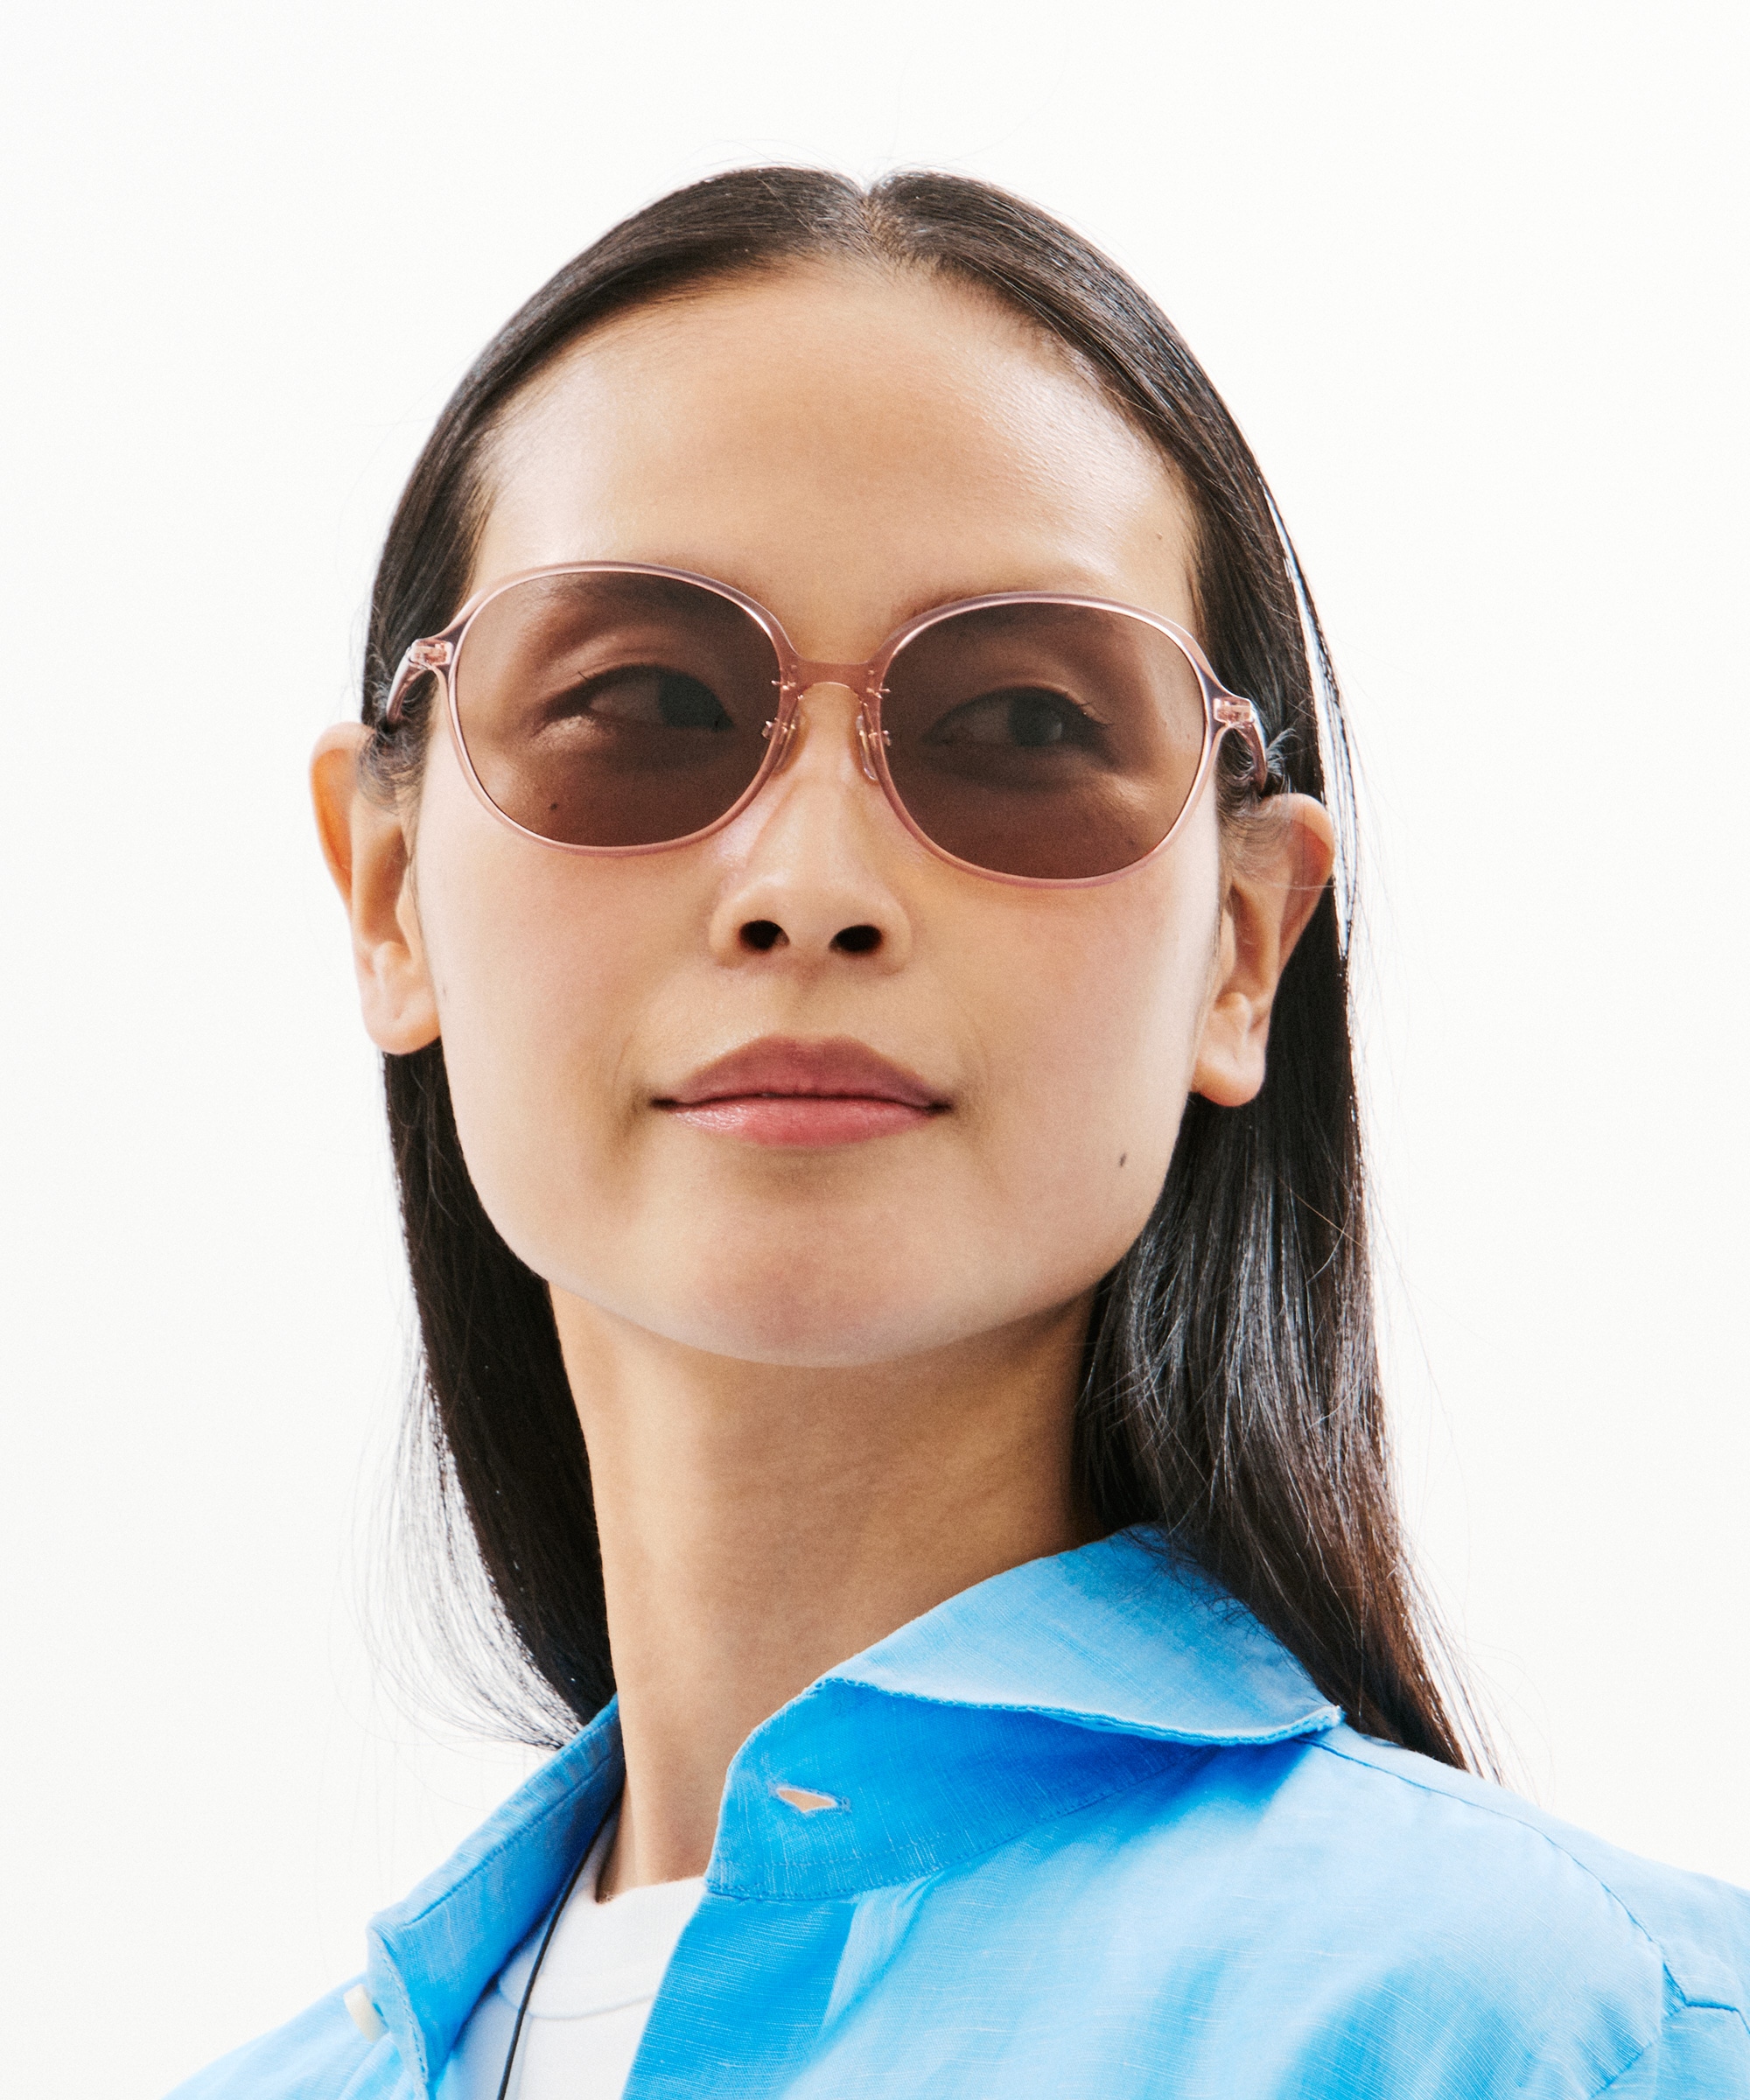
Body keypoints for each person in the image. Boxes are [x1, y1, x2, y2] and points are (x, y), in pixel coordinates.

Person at [171, 168, 1750, 2099]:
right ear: (388, 892)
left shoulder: (1570, 2038)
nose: (811, 888)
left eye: (1018, 730)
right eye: (644, 703)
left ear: (1241, 947)